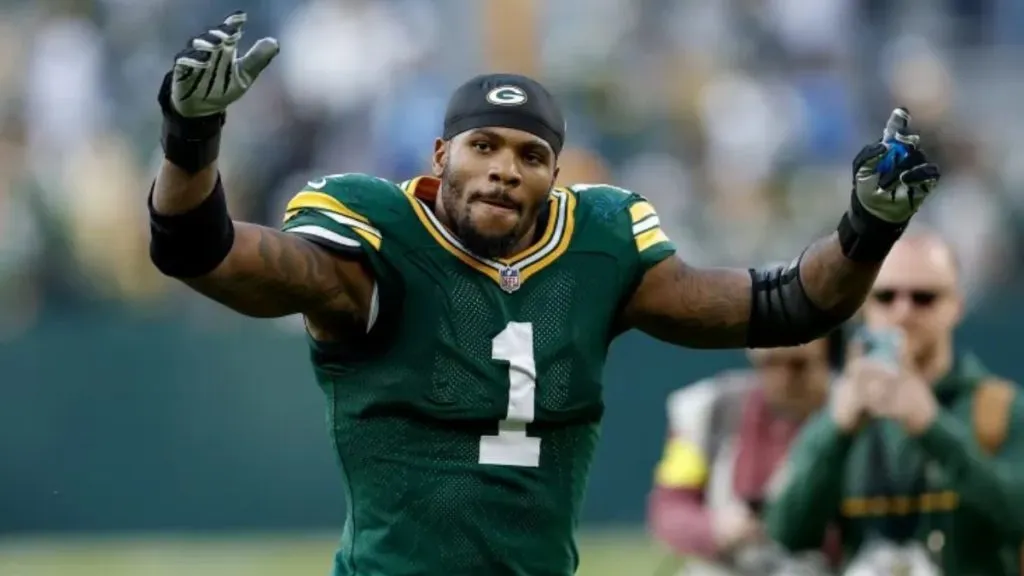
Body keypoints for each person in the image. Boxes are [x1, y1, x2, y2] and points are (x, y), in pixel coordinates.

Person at [147, 11, 941, 576]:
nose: (503, 168)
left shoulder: (599, 246)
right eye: (483, 146)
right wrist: (191, 139)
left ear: (555, 175)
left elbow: (790, 307)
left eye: (529, 155)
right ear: (440, 156)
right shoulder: (377, 244)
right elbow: (202, 253)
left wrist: (867, 228)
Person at [765, 230, 1024, 575]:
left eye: (924, 298)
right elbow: (787, 533)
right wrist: (836, 432)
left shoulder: (1000, 408)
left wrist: (932, 428)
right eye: (885, 297)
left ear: (956, 306)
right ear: (864, 306)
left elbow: (1018, 516)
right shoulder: (841, 413)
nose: (903, 312)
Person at [647, 329, 845, 575]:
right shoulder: (711, 411)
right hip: (729, 564)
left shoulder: (852, 414)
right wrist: (716, 528)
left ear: (828, 360)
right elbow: (669, 508)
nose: (782, 378)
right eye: (770, 363)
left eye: (798, 365)